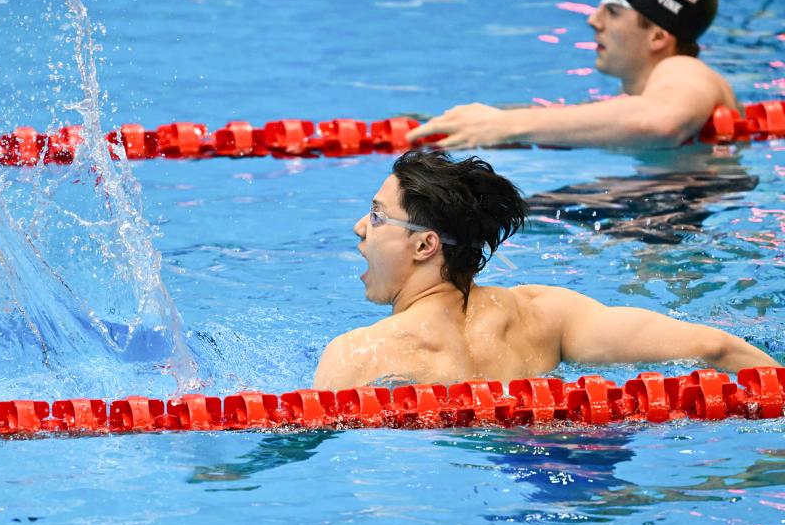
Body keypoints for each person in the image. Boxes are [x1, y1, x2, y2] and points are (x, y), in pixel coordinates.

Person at [312, 150, 778, 390]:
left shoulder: (359, 353)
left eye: (377, 216)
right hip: (573, 450)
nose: (360, 228)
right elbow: (716, 347)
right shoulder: (546, 314)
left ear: (425, 245)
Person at [405, 0, 740, 150]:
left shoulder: (684, 70)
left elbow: (661, 123)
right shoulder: (639, 98)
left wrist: (504, 126)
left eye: (613, 11)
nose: (594, 20)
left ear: (657, 37)